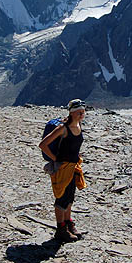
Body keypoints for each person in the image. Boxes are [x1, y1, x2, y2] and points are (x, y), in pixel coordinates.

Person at [39, 99, 88, 242]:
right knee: (61, 197)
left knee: (70, 195)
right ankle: (60, 229)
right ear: (72, 113)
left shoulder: (78, 125)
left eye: (83, 112)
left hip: (73, 166)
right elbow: (43, 144)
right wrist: (56, 159)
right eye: (79, 112)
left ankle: (68, 223)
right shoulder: (63, 128)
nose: (82, 115)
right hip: (63, 167)